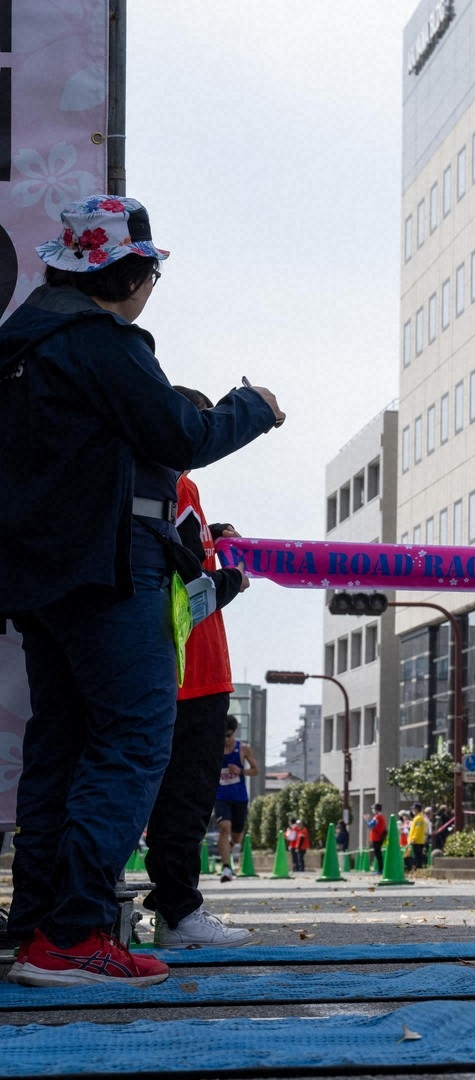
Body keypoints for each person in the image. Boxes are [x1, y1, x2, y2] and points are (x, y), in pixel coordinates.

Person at [0, 196, 282, 988]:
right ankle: (75, 935)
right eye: (151, 274)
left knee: (59, 748)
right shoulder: (99, 342)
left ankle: (33, 929)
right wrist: (252, 408)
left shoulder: (18, 344)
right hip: (110, 569)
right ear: (129, 275)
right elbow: (180, 434)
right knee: (130, 744)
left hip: (38, 576)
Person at [141, 422, 253, 946]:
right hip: (193, 673)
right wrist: (234, 579)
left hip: (179, 669)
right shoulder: (177, 485)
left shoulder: (166, 485)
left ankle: (171, 909)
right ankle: (179, 912)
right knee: (184, 801)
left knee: (170, 799)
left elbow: (186, 554)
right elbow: (189, 586)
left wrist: (216, 534)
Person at [214, 716, 257, 882]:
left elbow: (256, 770)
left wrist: (241, 771)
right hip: (221, 796)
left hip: (239, 797)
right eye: (223, 735)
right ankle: (226, 869)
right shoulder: (214, 748)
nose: (226, 739)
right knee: (224, 827)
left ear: (234, 733)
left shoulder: (243, 749)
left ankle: (229, 847)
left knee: (237, 835)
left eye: (229, 735)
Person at [366, 802, 388, 870]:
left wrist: (367, 820)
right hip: (379, 837)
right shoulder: (381, 817)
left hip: (377, 838)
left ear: (376, 809)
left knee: (378, 854)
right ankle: (380, 869)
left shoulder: (377, 817)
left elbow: (370, 825)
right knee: (378, 854)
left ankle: (380, 869)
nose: (372, 810)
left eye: (373, 809)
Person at [407, 802, 429, 871]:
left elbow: (417, 830)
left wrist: (414, 838)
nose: (413, 810)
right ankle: (419, 867)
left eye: (414, 809)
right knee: (418, 854)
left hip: (417, 841)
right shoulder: (417, 817)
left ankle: (418, 867)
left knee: (417, 855)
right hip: (417, 840)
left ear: (417, 809)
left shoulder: (418, 818)